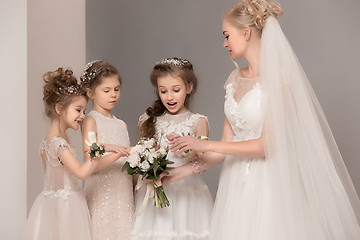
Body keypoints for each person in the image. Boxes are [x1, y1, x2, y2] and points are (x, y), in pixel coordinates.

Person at [162, 1, 360, 239]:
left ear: (246, 32)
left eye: (227, 36)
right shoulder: (233, 78)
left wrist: (203, 144)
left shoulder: (280, 78)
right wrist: (181, 172)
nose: (224, 43)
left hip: (270, 184)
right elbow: (226, 145)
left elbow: (266, 145)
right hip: (235, 184)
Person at [132, 57, 213, 240]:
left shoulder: (198, 121)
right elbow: (141, 156)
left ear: (189, 87)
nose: (169, 97)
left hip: (187, 192)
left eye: (176, 90)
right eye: (163, 91)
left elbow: (205, 157)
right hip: (156, 191)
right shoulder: (146, 120)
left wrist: (187, 147)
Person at [26, 68, 98, 239]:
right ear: (59, 108)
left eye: (84, 111)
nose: (82, 116)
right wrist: (97, 153)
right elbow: (81, 172)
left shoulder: (49, 140)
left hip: (52, 204)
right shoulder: (58, 144)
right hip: (66, 207)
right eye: (78, 110)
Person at [80, 60, 134, 240]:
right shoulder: (91, 121)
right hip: (101, 194)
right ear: (90, 93)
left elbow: (128, 165)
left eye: (116, 89)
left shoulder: (122, 125)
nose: (113, 95)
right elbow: (91, 165)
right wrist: (118, 153)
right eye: (107, 90)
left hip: (123, 193)